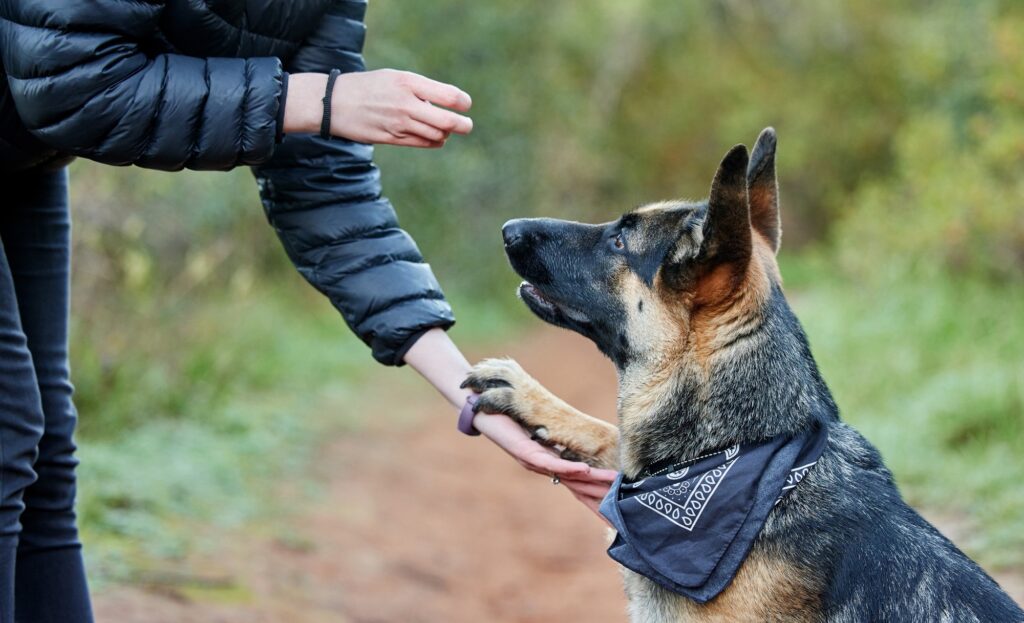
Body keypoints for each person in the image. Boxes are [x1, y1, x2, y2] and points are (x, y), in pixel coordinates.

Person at [0, 0, 615, 620]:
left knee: (45, 448)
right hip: (32, 123)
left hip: (23, 157)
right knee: (8, 430)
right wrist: (320, 101)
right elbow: (68, 80)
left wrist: (475, 398)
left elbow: (325, 185)